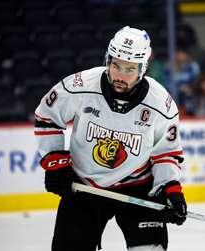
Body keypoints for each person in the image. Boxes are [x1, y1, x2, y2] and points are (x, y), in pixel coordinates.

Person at [34, 26, 187, 251]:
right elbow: (47, 116)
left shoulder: (160, 104)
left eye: (130, 69)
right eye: (116, 65)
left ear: (143, 68)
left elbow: (166, 152)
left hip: (139, 188)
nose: (120, 76)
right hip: (84, 187)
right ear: (108, 60)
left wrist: (171, 189)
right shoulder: (81, 86)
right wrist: (56, 163)